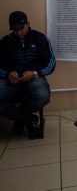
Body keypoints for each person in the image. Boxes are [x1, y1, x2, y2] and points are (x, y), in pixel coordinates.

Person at [0, 11, 56, 139]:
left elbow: (51, 62)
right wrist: (8, 74)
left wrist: (35, 73)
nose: (19, 33)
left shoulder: (40, 38)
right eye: (15, 30)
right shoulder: (5, 42)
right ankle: (29, 119)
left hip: (34, 77)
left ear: (28, 24)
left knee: (43, 96)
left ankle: (20, 119)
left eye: (21, 29)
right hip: (11, 80)